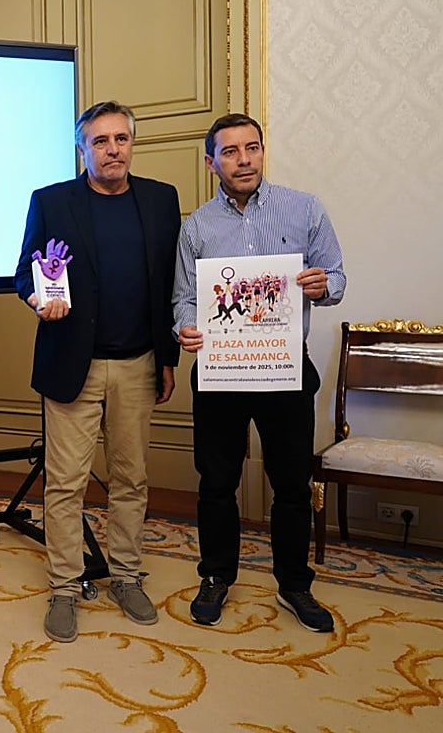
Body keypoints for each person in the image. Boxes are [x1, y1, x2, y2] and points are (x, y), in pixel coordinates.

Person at [15, 100, 181, 643]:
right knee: (65, 484)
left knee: (131, 479)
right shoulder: (52, 201)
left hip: (138, 363)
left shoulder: (160, 200)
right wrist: (42, 298)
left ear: (132, 144)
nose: (113, 150)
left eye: (121, 140)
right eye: (101, 141)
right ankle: (64, 586)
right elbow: (25, 275)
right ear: (82, 149)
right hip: (73, 365)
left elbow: (169, 287)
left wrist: (168, 359)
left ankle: (127, 576)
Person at [174, 113, 345, 632]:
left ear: (263, 152)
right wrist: (186, 328)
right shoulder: (196, 226)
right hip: (222, 376)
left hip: (285, 372)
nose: (243, 159)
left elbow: (336, 276)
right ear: (211, 163)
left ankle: (294, 584)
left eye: (251, 148)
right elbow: (184, 299)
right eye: (229, 152)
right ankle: (217, 576)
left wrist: (321, 285)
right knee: (216, 483)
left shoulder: (304, 208)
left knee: (291, 486)